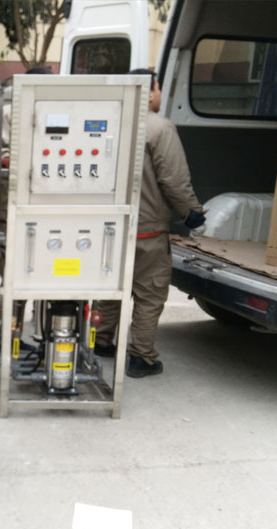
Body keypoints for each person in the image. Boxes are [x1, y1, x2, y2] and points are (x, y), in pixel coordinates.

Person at [93, 69, 205, 378]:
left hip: (109, 228)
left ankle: (100, 341)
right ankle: (141, 357)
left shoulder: (107, 121)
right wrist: (191, 213)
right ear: (151, 91)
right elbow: (174, 179)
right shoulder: (159, 127)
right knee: (149, 293)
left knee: (111, 286)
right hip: (147, 228)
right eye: (158, 88)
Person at [0, 66, 51, 353]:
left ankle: (15, 334)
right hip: (6, 212)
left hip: (39, 212)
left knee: (34, 276)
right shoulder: (6, 115)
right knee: (14, 278)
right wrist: (28, 162)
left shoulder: (51, 116)